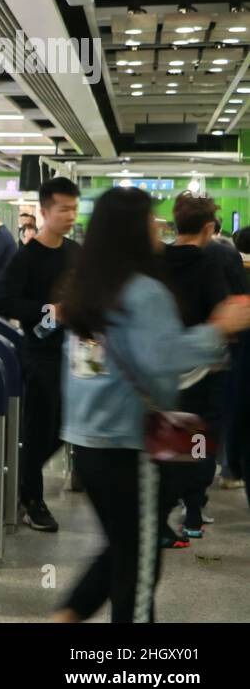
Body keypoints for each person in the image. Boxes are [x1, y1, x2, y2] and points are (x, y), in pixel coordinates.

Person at [53, 186, 250, 623]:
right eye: (149, 220)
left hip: (88, 441)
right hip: (130, 445)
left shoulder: (86, 286)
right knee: (139, 569)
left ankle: (64, 617)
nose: (158, 227)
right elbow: (165, 358)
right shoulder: (143, 292)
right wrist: (220, 328)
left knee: (125, 546)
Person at [0, 175, 82, 532]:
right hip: (39, 351)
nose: (70, 215)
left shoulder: (75, 252)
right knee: (40, 427)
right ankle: (32, 498)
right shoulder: (26, 257)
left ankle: (21, 478)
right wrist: (49, 311)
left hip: (74, 352)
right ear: (45, 211)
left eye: (74, 208)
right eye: (64, 209)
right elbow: (4, 301)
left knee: (65, 427)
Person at [157, 193, 230, 545]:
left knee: (171, 443)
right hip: (203, 374)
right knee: (200, 443)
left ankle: (161, 515)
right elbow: (221, 315)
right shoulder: (209, 265)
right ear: (207, 228)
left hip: (163, 374)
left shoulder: (156, 263)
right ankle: (194, 514)